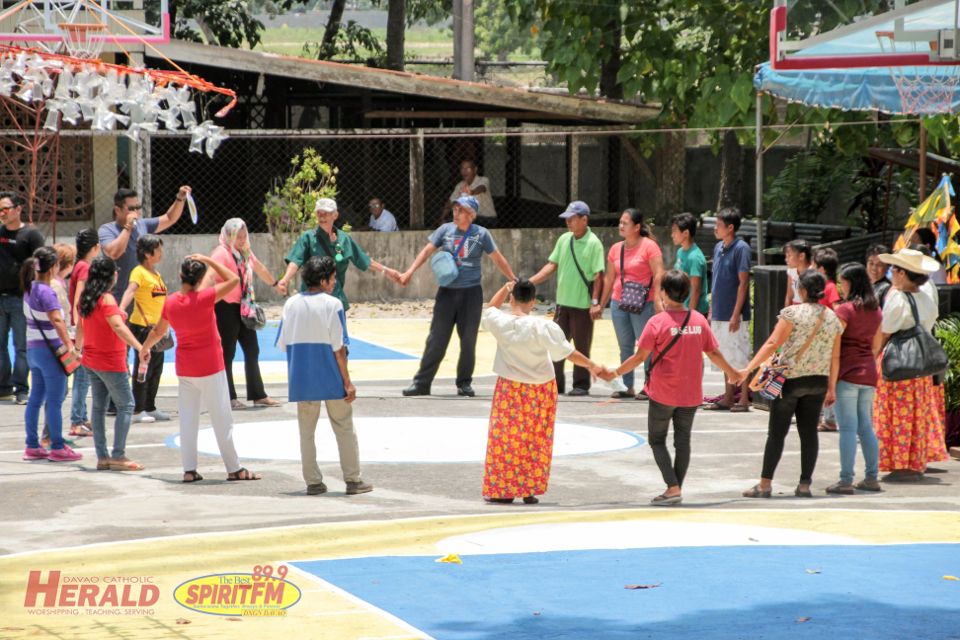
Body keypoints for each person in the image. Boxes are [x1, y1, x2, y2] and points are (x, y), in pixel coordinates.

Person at [598, 271, 741, 505]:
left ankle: (673, 488)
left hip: (663, 393)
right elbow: (713, 352)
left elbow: (638, 358)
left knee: (657, 440)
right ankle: (676, 487)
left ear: (663, 292)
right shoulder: (698, 320)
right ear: (687, 293)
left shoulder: (657, 322)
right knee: (683, 441)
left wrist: (614, 373)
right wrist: (733, 373)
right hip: (691, 394)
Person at [140, 255, 261, 483]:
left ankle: (189, 469)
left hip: (186, 368)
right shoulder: (206, 297)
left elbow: (157, 331)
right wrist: (209, 260)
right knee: (222, 418)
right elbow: (234, 279)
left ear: (180, 276)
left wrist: (144, 348)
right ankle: (234, 468)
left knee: (188, 420)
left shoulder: (171, 301)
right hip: (211, 366)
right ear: (201, 278)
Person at [481, 278, 599, 504]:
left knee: (505, 438)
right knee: (536, 439)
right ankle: (528, 488)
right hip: (541, 389)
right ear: (533, 302)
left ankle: (503, 489)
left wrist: (504, 289)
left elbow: (490, 308)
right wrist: (592, 365)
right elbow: (567, 352)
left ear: (512, 298)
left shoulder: (499, 321)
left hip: (509, 387)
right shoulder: (543, 326)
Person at [399, 195, 517, 397]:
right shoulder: (445, 230)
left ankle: (464, 383)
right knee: (436, 339)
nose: (456, 213)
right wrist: (409, 272)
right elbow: (427, 251)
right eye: (455, 209)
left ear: (471, 214)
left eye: (461, 210)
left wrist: (513, 279)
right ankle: (421, 383)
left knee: (468, 341)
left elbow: (497, 258)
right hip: (446, 293)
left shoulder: (481, 234)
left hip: (471, 294)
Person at [739, 271, 843, 498]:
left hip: (790, 381)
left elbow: (773, 343)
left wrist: (749, 369)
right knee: (809, 434)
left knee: (777, 433)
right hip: (818, 381)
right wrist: (832, 387)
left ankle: (765, 484)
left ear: (803, 290)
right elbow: (835, 357)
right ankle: (804, 484)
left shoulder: (792, 313)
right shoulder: (833, 318)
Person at [276, 256, 372, 496]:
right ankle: (352, 479)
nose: (334, 281)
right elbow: (339, 348)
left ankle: (313, 482)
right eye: (332, 277)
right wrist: (348, 383)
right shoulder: (333, 305)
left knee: (306, 432)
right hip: (330, 376)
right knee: (343, 427)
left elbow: (283, 344)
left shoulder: (290, 305)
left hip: (302, 377)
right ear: (323, 280)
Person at [873, 248, 949, 482]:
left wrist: (873, 354)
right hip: (920, 365)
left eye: (894, 269)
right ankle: (915, 462)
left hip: (899, 364)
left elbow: (885, 331)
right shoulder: (926, 297)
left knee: (894, 413)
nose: (891, 273)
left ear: (904, 274)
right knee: (917, 414)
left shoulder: (897, 298)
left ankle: (899, 462)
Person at [75, 256, 146, 472]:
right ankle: (118, 455)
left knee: (98, 407)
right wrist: (139, 347)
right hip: (110, 361)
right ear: (110, 276)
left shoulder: (87, 298)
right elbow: (116, 325)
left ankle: (102, 456)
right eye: (115, 272)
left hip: (91, 360)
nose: (117, 275)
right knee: (126, 405)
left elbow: (81, 327)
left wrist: (77, 349)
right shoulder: (107, 299)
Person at [529, 201, 605, 396]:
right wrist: (531, 282)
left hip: (582, 306)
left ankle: (581, 385)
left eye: (572, 219)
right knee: (555, 345)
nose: (568, 223)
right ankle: (555, 384)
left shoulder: (594, 243)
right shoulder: (564, 240)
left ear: (584, 219)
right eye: (567, 219)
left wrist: (595, 303)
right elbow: (551, 265)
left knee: (581, 347)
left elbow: (598, 276)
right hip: (562, 304)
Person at [208, 219, 282, 410]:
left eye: (243, 236)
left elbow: (259, 268)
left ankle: (258, 395)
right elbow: (208, 279)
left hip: (244, 307)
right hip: (225, 307)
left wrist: (275, 284)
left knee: (252, 349)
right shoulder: (221, 254)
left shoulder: (245, 252)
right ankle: (229, 397)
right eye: (237, 237)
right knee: (227, 352)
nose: (241, 240)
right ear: (228, 236)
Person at [277, 198, 399, 310]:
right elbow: (295, 261)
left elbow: (364, 260)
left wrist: (387, 271)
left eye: (326, 213)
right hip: (310, 299)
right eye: (319, 212)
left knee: (337, 333)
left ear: (335, 215)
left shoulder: (344, 239)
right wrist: (285, 279)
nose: (322, 216)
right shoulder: (308, 237)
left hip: (334, 297)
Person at [825, 263, 883, 494]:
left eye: (843, 282)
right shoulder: (876, 310)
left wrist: (830, 384)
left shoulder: (845, 311)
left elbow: (834, 348)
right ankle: (871, 477)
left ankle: (845, 479)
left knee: (848, 428)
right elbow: (876, 346)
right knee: (866, 427)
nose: (841, 286)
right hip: (868, 373)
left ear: (852, 283)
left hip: (847, 374)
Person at [21, 247, 81, 462]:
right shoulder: (47, 291)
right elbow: (57, 320)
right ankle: (57, 445)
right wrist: (70, 346)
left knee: (35, 398)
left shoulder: (29, 289)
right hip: (50, 352)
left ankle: (31, 445)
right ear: (54, 267)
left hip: (33, 349)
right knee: (55, 401)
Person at [597, 208, 663, 400]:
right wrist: (601, 304)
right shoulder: (616, 249)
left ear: (636, 227)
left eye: (625, 223)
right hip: (619, 301)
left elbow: (659, 273)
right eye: (620, 222)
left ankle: (650, 386)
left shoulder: (650, 246)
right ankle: (626, 386)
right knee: (625, 346)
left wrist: (658, 299)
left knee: (646, 346)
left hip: (644, 302)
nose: (621, 226)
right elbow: (609, 279)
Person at [99, 186, 191, 301]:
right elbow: (114, 253)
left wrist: (180, 199)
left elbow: (169, 218)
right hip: (120, 298)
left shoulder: (142, 225)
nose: (136, 212)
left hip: (144, 298)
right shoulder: (107, 230)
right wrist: (128, 227)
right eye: (131, 208)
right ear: (118, 210)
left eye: (138, 207)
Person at [704, 207, 752, 413]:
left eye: (719, 225)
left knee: (739, 354)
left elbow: (743, 283)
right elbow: (715, 281)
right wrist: (712, 310)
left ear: (730, 228)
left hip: (734, 313)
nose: (715, 228)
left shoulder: (741, 248)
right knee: (723, 354)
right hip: (719, 310)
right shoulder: (718, 248)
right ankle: (728, 396)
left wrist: (735, 313)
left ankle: (743, 398)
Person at [0, 191, 44, 405]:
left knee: (21, 345)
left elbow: (42, 264)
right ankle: (3, 386)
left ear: (18, 209)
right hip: (0, 298)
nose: (2, 213)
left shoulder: (30, 235)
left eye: (5, 209)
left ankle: (21, 388)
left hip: (20, 298)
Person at [119, 235, 168, 423]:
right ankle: (138, 410)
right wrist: (122, 308)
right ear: (147, 254)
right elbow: (130, 290)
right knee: (143, 369)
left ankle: (150, 406)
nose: (161, 253)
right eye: (158, 250)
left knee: (156, 369)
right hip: (143, 327)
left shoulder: (156, 275)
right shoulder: (138, 272)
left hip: (159, 329)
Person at [68, 228, 99, 438]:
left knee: (83, 376)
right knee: (82, 377)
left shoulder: (79, 265)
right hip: (81, 327)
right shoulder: (85, 268)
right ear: (96, 247)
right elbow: (79, 301)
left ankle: (81, 416)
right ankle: (77, 420)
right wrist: (81, 327)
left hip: (79, 326)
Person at [670, 213, 709, 315]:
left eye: (675, 231)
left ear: (686, 233)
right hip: (682, 309)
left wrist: (690, 316)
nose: (672, 235)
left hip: (695, 312)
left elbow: (696, 289)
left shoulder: (695, 257)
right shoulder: (680, 251)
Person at [442, 159, 497, 225]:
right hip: (471, 219)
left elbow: (481, 188)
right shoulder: (460, 185)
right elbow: (450, 202)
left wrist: (471, 192)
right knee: (449, 222)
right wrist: (442, 218)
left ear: (475, 169)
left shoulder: (483, 180)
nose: (464, 171)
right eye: (462, 168)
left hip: (487, 219)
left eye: (468, 168)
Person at [783, 240, 813, 308]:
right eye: (786, 256)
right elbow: (789, 295)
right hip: (795, 308)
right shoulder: (791, 271)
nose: (786, 259)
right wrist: (786, 313)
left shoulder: (813, 272)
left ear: (801, 256)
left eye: (789, 256)